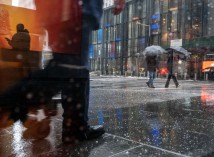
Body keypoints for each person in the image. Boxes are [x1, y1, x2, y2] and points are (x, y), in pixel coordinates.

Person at [0, 0, 125, 143]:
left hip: (65, 11)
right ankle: (8, 102)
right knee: (69, 68)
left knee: (76, 70)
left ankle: (75, 128)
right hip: (73, 9)